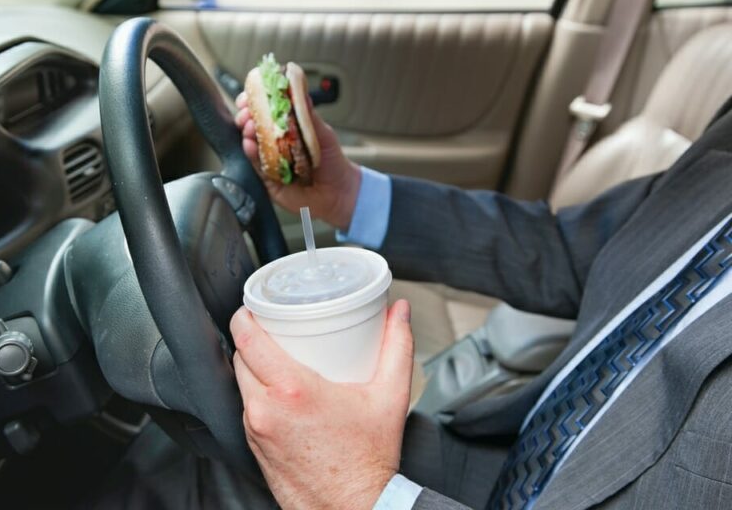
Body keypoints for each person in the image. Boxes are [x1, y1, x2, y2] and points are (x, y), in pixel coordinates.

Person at [226, 90, 732, 510]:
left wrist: (362, 496)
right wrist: (348, 195)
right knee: (209, 456)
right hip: (509, 458)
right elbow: (570, 250)